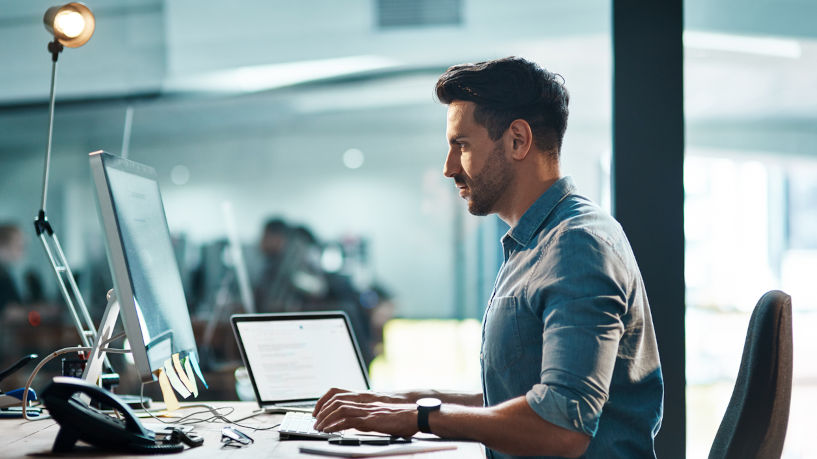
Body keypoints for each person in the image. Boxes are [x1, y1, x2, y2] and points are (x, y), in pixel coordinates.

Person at [312, 57, 663, 458]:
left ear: (517, 140)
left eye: (461, 146)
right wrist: (400, 401)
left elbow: (561, 426)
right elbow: (521, 397)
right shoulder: (535, 243)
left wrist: (417, 417)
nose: (448, 169)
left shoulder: (577, 246)